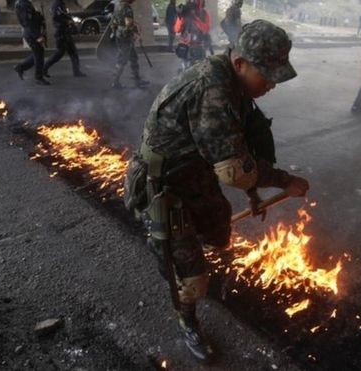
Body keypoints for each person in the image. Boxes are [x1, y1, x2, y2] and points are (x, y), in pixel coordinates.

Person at [130, 19, 309, 362]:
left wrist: (253, 194)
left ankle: (186, 246)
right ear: (240, 62)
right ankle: (187, 318)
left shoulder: (233, 84)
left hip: (197, 173)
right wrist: (285, 181)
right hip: (165, 189)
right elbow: (234, 171)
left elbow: (239, 150)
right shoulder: (212, 90)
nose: (272, 84)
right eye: (267, 74)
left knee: (218, 234)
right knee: (192, 278)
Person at [110, 0, 149, 89]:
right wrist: (136, 34)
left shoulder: (118, 6)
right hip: (126, 38)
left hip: (120, 35)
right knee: (122, 60)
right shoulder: (127, 8)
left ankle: (137, 80)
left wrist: (116, 32)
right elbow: (129, 24)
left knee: (133, 57)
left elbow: (113, 23)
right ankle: (115, 82)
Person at [43, 0, 86, 78]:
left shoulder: (61, 4)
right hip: (61, 33)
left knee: (73, 53)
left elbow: (65, 15)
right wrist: (67, 22)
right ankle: (44, 68)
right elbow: (55, 18)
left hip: (66, 33)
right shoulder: (56, 4)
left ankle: (76, 72)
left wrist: (71, 22)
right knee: (59, 54)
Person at [14, 0, 50, 85]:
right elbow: (27, 22)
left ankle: (21, 67)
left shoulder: (25, 3)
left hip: (32, 32)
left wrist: (38, 15)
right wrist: (37, 36)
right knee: (39, 55)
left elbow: (32, 17)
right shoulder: (23, 5)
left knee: (38, 53)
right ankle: (38, 77)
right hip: (32, 33)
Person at [175, 0, 209, 70]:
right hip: (185, 46)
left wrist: (195, 18)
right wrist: (180, 17)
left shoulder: (204, 13)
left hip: (198, 46)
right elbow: (177, 29)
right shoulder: (185, 11)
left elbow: (205, 28)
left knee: (199, 70)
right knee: (185, 70)